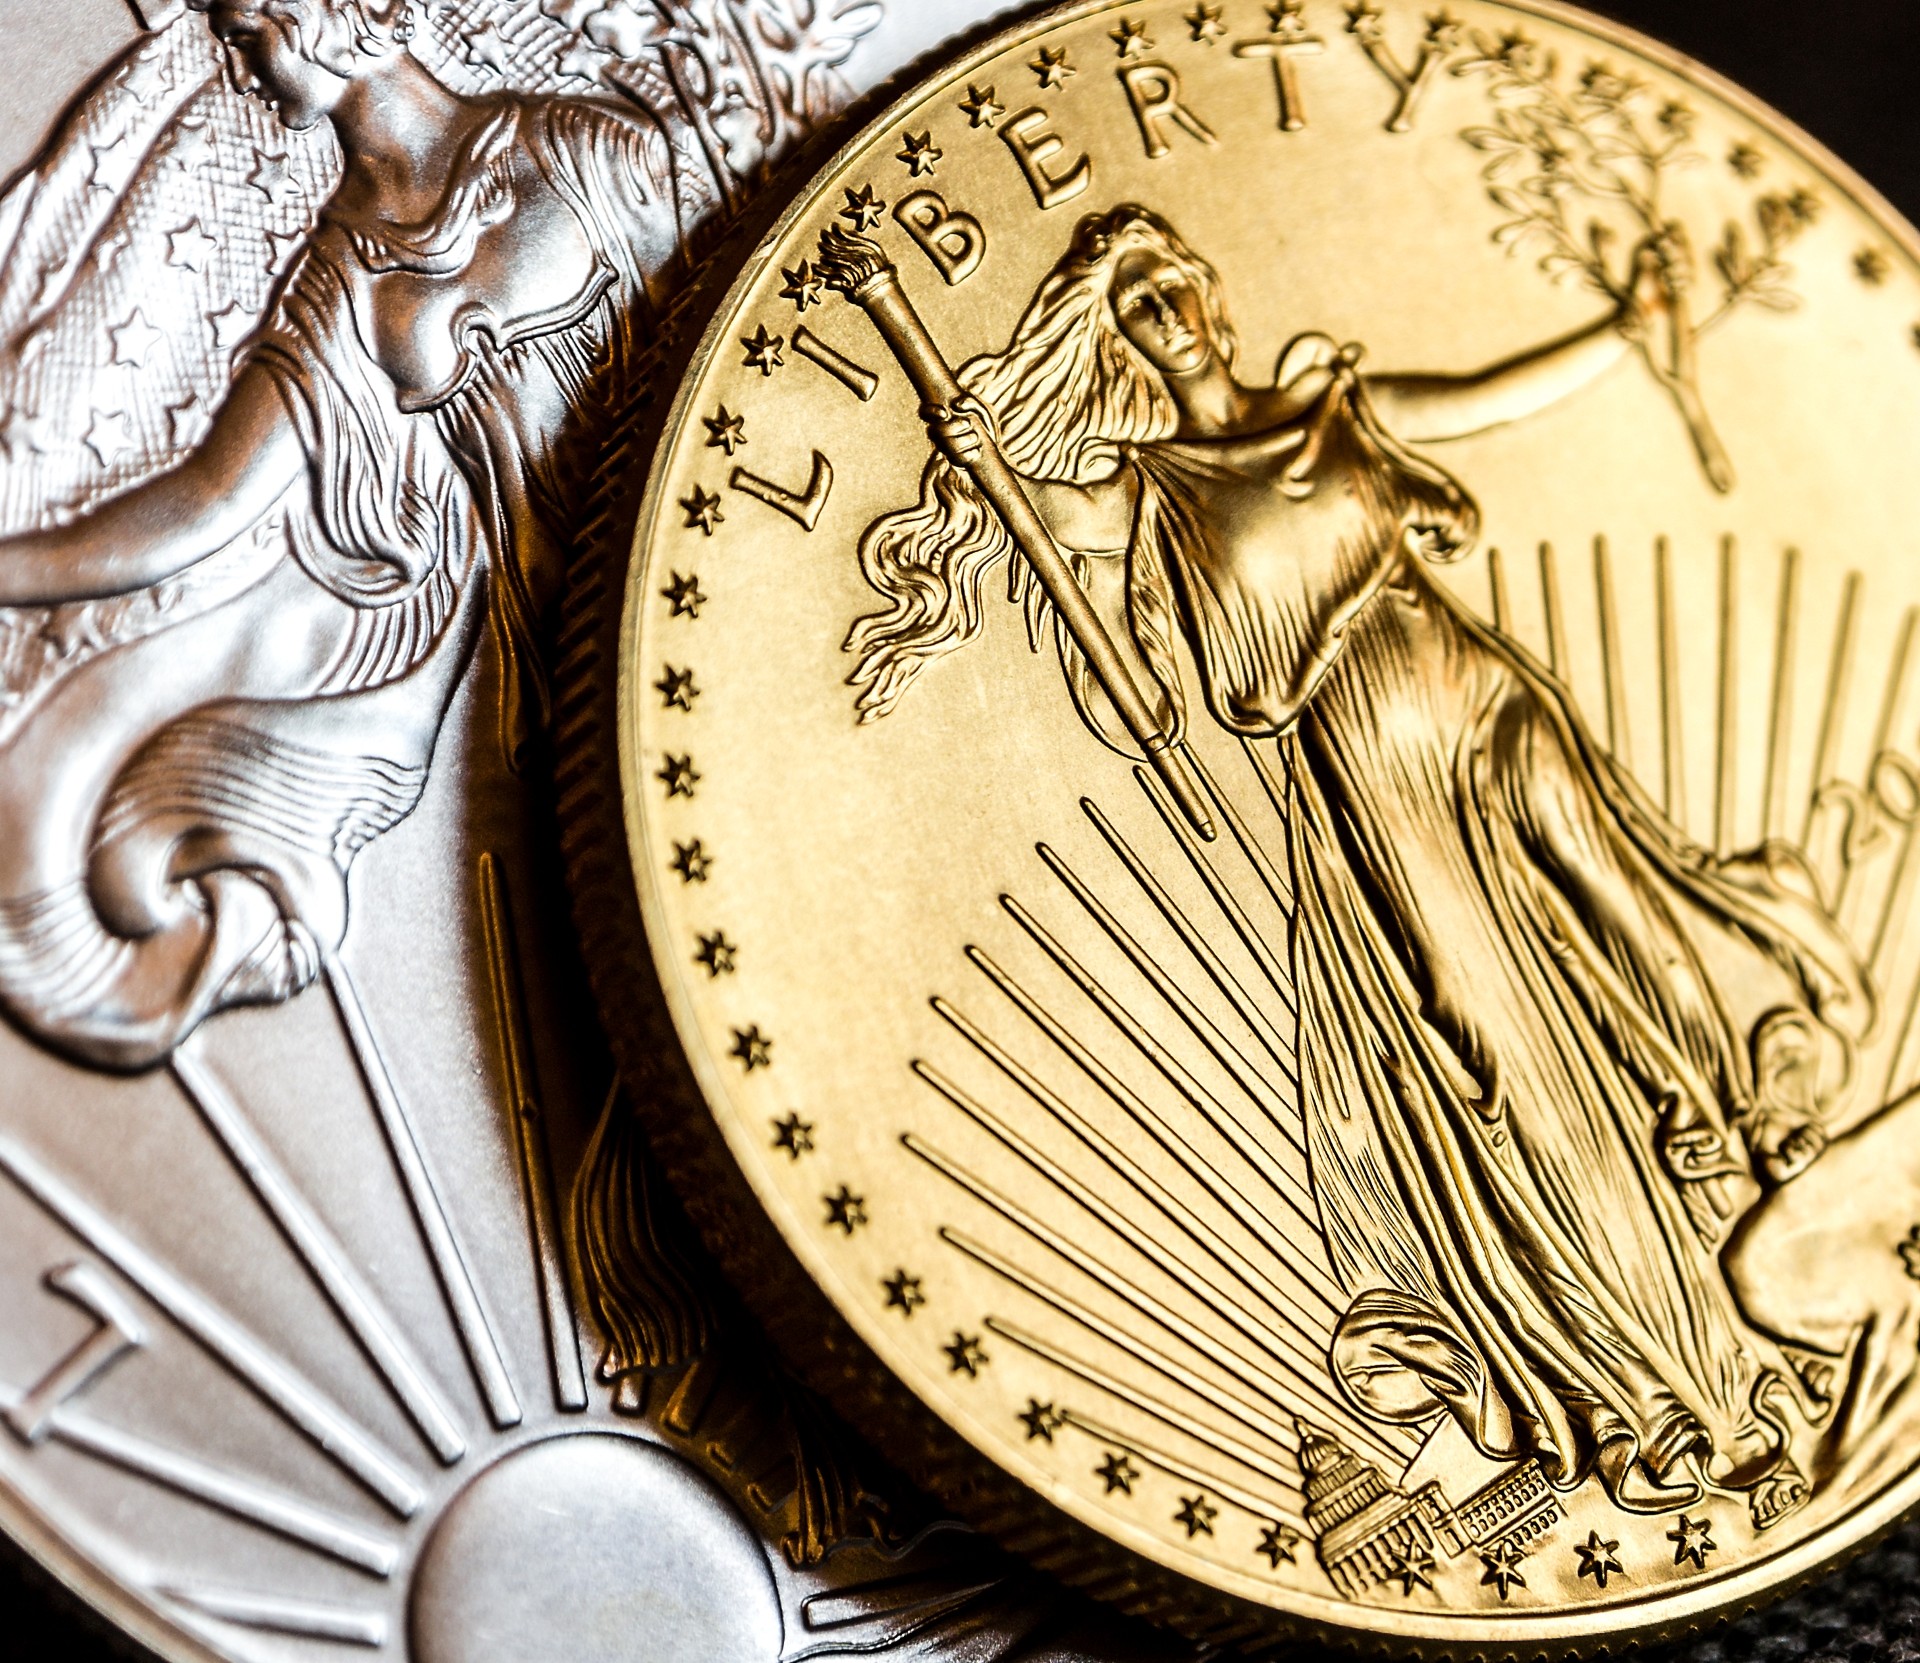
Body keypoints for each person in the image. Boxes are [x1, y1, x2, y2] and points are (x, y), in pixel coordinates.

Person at [846, 203, 1875, 1529]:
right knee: (1486, 1034)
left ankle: (1755, 1190)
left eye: (1172, 286)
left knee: (1630, 912)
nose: (1166, 316)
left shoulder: (1336, 405)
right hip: (1365, 766)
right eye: (1136, 308)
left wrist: (1623, 333)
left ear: (1211, 292)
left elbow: (1493, 395)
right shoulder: (1145, 488)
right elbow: (1119, 681)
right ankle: (1661, 1371)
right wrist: (989, 463)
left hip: (1475, 688)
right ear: (1126, 341)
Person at [0, 0, 685, 1068]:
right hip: (383, 596)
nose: (245, 49)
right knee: (45, 805)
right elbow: (211, 499)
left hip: (646, 606)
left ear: (350, 13)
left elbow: (712, 366)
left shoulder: (598, 155)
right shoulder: (344, 256)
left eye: (256, 21)